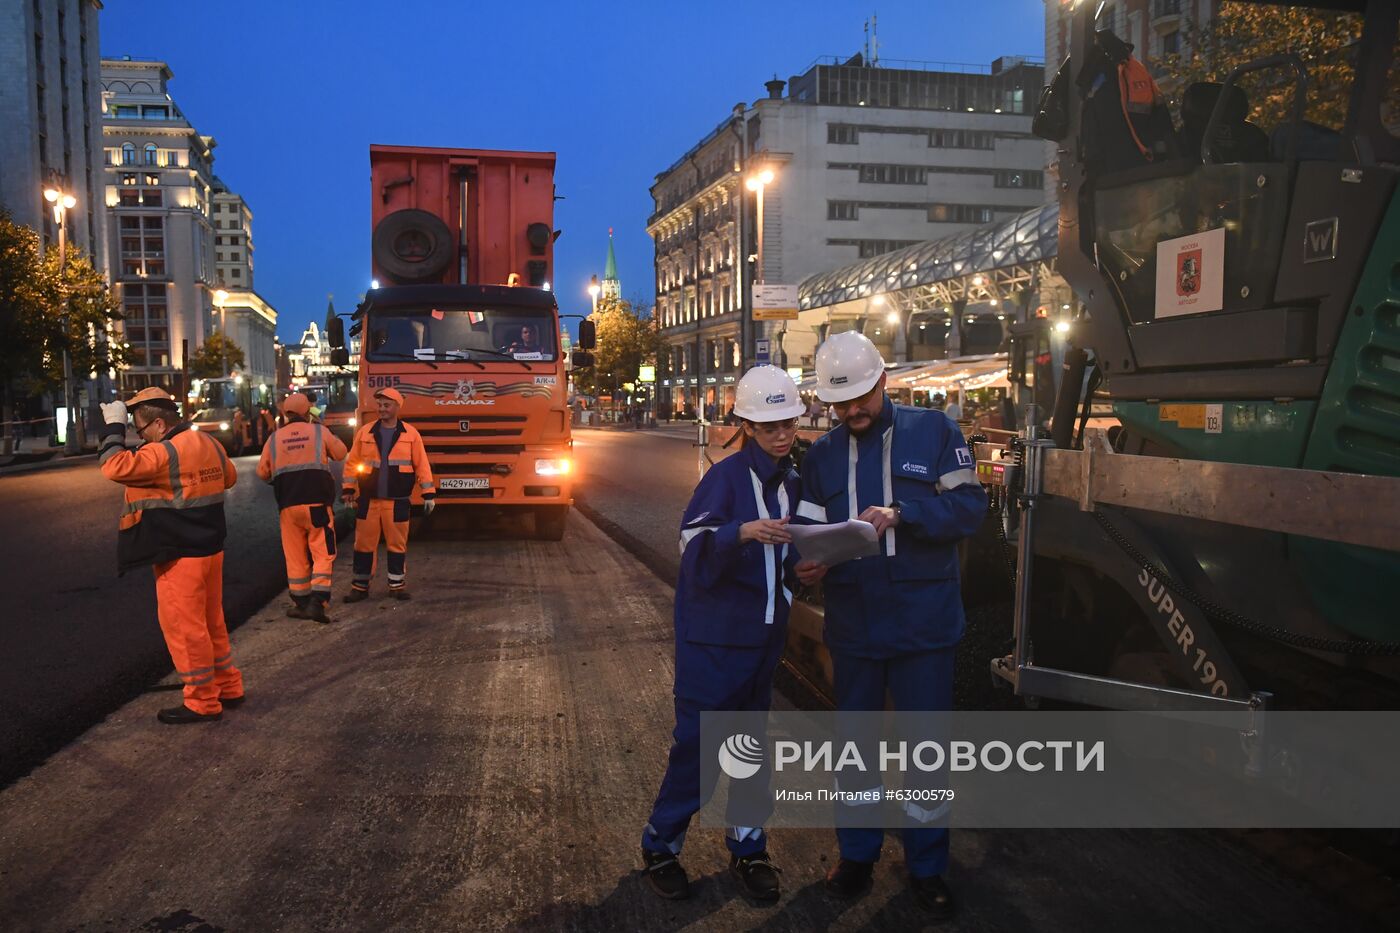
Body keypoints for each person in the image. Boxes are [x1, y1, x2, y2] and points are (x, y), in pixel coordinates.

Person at [792, 331, 986, 918]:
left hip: (923, 624)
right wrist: (806, 566)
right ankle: (857, 857)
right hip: (855, 621)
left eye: (861, 400)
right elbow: (807, 530)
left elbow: (970, 507)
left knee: (925, 752)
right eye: (839, 404)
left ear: (883, 381)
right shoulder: (821, 454)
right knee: (855, 750)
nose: (852, 412)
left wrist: (906, 513)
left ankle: (927, 867)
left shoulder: (935, 432)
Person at [641, 365, 804, 904]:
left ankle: (749, 846)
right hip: (712, 645)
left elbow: (793, 554)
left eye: (788, 423)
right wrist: (740, 533)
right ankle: (661, 845)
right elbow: (691, 547)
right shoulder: (725, 478)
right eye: (769, 426)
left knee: (752, 749)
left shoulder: (793, 484)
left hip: (761, 643)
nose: (781, 435)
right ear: (747, 427)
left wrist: (811, 563)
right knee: (698, 749)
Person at [97, 387, 245, 724]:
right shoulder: (208, 442)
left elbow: (113, 466)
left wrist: (113, 428)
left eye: (141, 429)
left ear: (161, 425)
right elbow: (230, 478)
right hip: (210, 551)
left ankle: (202, 702)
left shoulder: (165, 453)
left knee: (184, 628)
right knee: (212, 623)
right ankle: (229, 686)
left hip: (178, 555)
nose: (141, 436)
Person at [257, 392, 348, 624]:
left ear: (285, 414)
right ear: (308, 412)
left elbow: (262, 473)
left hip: (288, 507)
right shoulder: (318, 431)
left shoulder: (274, 439)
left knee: (295, 555)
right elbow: (341, 453)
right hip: (317, 505)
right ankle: (318, 603)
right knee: (322, 552)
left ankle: (301, 603)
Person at [342, 387, 435, 601]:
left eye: (386, 405)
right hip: (368, 500)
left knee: (396, 545)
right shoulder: (365, 432)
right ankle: (359, 587)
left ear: (396, 407)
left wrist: (428, 493)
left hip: (397, 501)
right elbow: (352, 462)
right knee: (363, 545)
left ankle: (397, 586)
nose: (381, 409)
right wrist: (348, 489)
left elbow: (422, 465)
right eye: (379, 405)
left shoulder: (411, 435)